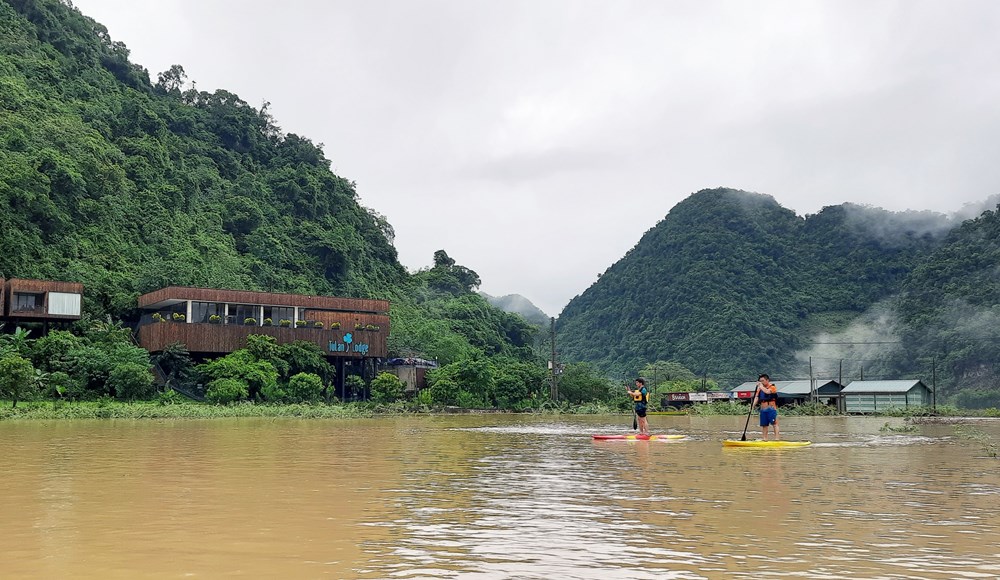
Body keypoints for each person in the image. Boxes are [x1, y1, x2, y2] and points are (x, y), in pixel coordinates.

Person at [752, 373, 780, 440]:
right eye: (760, 381)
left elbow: (767, 392)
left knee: (774, 424)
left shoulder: (772, 387)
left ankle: (777, 439)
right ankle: (765, 439)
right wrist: (752, 406)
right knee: (764, 425)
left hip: (771, 409)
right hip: (763, 409)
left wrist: (760, 386)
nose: (761, 382)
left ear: (767, 380)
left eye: (763, 381)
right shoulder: (759, 389)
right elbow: (756, 397)